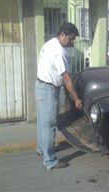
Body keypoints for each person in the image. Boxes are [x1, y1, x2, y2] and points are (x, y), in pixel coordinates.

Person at [35, 22, 82, 170]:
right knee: (49, 125)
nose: (71, 42)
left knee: (42, 122)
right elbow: (66, 77)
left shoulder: (49, 43)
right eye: (71, 39)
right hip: (48, 90)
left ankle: (41, 149)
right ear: (63, 34)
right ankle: (50, 161)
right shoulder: (58, 51)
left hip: (40, 86)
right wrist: (76, 98)